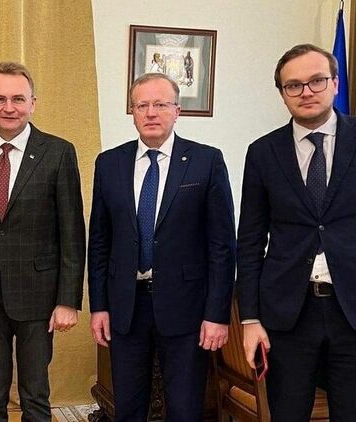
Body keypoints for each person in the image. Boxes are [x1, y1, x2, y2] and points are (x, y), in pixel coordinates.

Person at [237, 43, 356, 420]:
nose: (306, 91)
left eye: (316, 81)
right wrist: (250, 320)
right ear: (282, 94)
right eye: (294, 85)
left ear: (335, 83)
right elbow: (250, 243)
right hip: (288, 314)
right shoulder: (263, 152)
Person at [88, 72, 236, 421]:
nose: (151, 112)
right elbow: (99, 241)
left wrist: (217, 314)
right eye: (142, 105)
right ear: (133, 112)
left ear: (177, 110)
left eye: (160, 104)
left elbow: (222, 245)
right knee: (128, 408)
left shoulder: (206, 161)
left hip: (186, 307)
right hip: (127, 306)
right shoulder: (109, 163)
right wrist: (99, 306)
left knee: (184, 409)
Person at [0, 62, 85, 422]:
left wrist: (67, 300)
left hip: (39, 295)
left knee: (35, 395)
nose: (8, 107)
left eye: (18, 99)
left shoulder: (58, 152)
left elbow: (72, 232)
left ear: (33, 103)